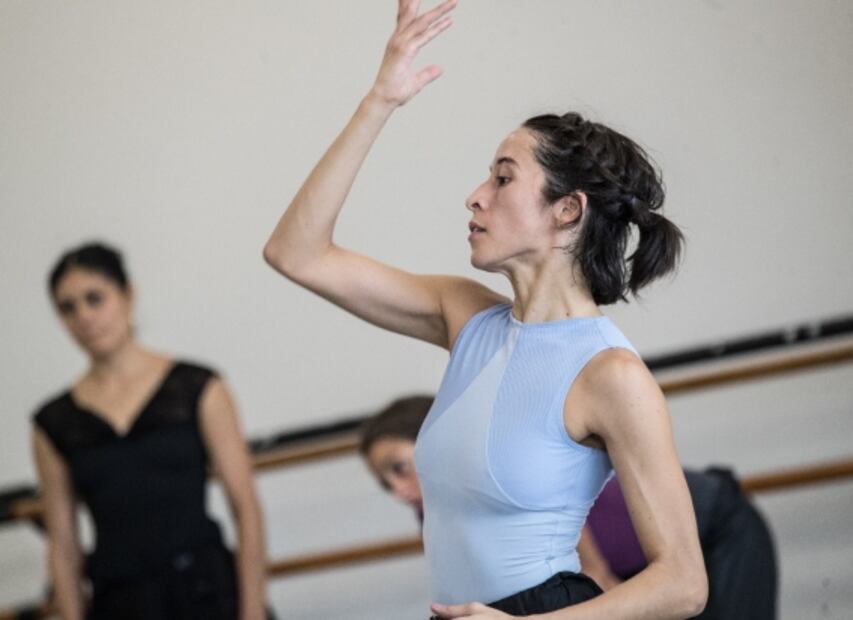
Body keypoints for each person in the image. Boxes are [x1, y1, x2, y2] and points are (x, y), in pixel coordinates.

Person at [263, 1, 707, 617]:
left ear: (567, 211)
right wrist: (380, 101)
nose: (475, 198)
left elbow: (684, 582)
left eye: (502, 179)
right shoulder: (466, 315)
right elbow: (296, 252)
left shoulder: (611, 375)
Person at [360, 397, 777, 619]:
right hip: (641, 571)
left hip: (718, 530)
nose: (398, 490)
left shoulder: (494, 472)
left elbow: (595, 573)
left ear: (435, 440)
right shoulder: (435, 517)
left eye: (399, 467)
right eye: (385, 483)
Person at [31, 242, 269, 620]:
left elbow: (246, 507)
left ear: (128, 295)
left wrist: (253, 611)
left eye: (95, 299)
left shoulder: (198, 386)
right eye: (68, 308)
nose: (85, 317)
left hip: (206, 591)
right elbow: (63, 543)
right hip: (121, 600)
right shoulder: (53, 421)